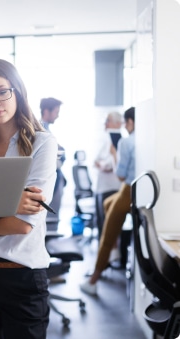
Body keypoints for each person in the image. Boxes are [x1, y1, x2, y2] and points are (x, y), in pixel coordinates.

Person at [0, 59, 57, 339]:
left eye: (2, 91)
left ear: (17, 91)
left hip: (22, 277)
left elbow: (22, 224)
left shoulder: (42, 143)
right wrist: (9, 203)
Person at [80, 107, 135, 295]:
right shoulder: (143, 141)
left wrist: (113, 156)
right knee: (106, 204)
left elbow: (121, 175)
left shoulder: (126, 142)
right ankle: (115, 249)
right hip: (134, 190)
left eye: (125, 123)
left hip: (126, 189)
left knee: (106, 235)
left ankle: (93, 280)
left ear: (129, 122)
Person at [93, 111, 122, 241]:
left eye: (108, 120)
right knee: (101, 221)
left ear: (117, 123)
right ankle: (103, 254)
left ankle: (109, 257)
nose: (106, 123)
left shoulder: (117, 138)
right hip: (101, 186)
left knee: (107, 223)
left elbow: (113, 162)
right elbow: (96, 160)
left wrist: (103, 165)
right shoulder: (105, 136)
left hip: (111, 186)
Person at [39, 97, 66, 228]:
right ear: (46, 111)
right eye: (56, 111)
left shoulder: (46, 130)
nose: (58, 115)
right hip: (51, 180)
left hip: (56, 177)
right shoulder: (41, 132)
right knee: (50, 216)